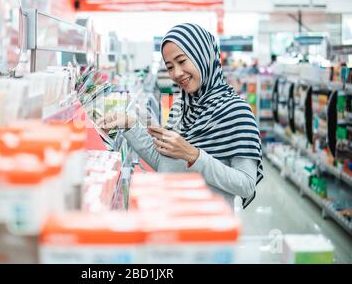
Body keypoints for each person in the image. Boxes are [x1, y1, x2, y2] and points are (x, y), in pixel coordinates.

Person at [97, 23, 263, 208]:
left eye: (182, 61)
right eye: (169, 66)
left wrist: (193, 155)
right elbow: (165, 163)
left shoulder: (237, 111)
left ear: (203, 56)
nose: (176, 73)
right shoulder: (180, 105)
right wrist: (130, 125)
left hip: (208, 228)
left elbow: (247, 185)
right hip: (169, 217)